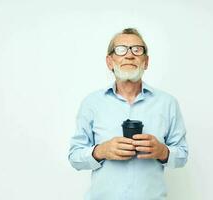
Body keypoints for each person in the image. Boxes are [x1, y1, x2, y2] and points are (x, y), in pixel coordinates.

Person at [68, 28, 188, 200]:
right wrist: (100, 151)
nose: (129, 55)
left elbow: (182, 155)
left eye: (137, 50)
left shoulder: (167, 103)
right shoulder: (92, 103)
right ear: (110, 62)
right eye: (121, 49)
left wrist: (163, 152)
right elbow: (74, 157)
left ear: (146, 62)